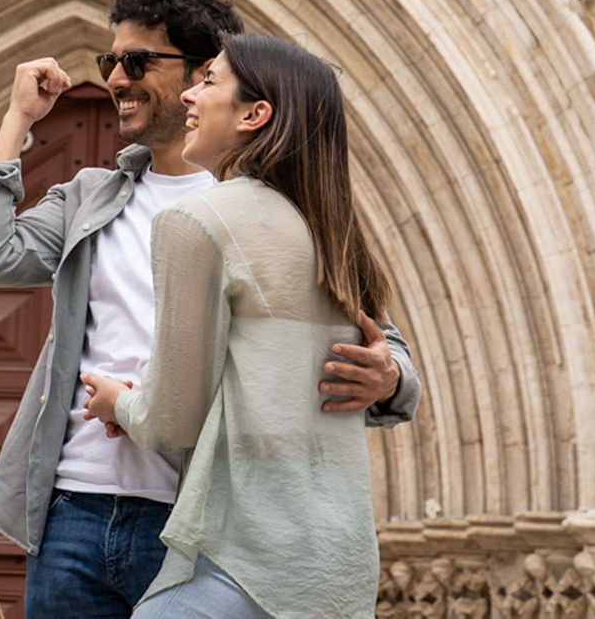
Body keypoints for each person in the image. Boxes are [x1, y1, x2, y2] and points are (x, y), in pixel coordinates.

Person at [0, 0, 419, 619]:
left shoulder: (290, 211)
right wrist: (17, 122)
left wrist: (390, 378)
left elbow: (375, 338)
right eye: (109, 63)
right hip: (73, 510)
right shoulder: (91, 194)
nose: (118, 78)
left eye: (138, 62)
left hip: (200, 520)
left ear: (205, 72)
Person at [82, 33, 391, 617]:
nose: (191, 97)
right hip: (337, 566)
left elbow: (175, 417)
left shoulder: (196, 220)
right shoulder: (330, 228)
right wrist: (396, 376)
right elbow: (384, 347)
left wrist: (118, 403)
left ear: (255, 114)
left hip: (243, 561)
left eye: (209, 82)